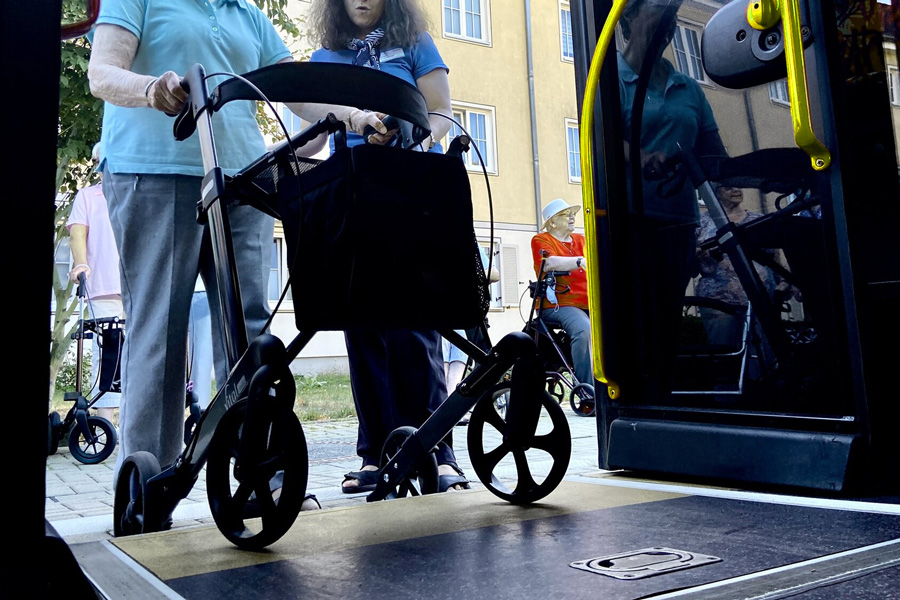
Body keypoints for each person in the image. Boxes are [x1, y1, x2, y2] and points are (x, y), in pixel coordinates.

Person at [87, 0, 385, 515]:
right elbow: (102, 74)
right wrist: (152, 88)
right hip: (155, 171)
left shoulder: (248, 15)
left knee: (250, 334)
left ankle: (258, 473)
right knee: (160, 328)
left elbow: (296, 89)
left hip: (242, 179)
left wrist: (355, 115)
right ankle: (147, 488)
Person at [306, 0, 469, 494]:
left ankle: (436, 451)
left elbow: (441, 112)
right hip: (353, 195)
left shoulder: (417, 44)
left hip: (413, 188)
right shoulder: (323, 59)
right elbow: (315, 127)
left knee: (416, 325)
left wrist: (415, 137)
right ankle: (376, 453)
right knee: (363, 325)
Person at [618, 0, 727, 399]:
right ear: (628, 16)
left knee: (667, 318)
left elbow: (714, 152)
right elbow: (601, 139)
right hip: (628, 220)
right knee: (636, 318)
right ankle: (637, 402)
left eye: (674, 15)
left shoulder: (688, 88)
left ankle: (662, 399)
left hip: (679, 220)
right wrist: (642, 156)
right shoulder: (608, 76)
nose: (670, 21)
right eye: (660, 9)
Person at [67, 143, 124, 424]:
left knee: (139, 354)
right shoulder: (88, 196)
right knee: (107, 354)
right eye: (100, 160)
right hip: (101, 285)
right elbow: (78, 234)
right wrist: (80, 264)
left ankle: (132, 420)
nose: (105, 165)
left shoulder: (131, 192)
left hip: (136, 286)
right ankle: (104, 418)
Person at [530, 198, 593, 389]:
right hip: (558, 304)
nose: (572, 217)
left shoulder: (581, 239)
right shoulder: (541, 240)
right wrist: (579, 261)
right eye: (566, 214)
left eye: (573, 213)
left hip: (589, 302)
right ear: (552, 222)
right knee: (584, 330)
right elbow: (547, 263)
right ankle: (589, 390)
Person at [444, 244, 499, 426]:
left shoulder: (469, 242)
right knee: (447, 343)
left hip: (462, 308)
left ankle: (450, 400)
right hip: (438, 308)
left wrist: (464, 275)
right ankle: (446, 401)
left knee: (462, 345)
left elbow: (494, 273)